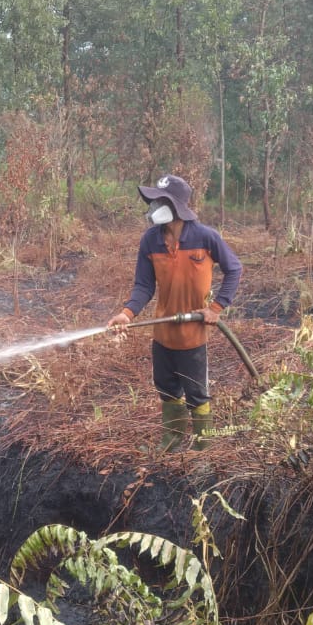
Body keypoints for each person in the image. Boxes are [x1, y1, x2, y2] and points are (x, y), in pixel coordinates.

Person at [107, 174, 243, 453]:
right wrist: (127, 314)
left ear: (177, 206)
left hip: (192, 335)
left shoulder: (205, 237)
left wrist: (216, 308)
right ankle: (171, 442)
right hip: (163, 333)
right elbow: (144, 285)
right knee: (167, 388)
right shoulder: (151, 241)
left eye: (161, 200)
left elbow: (234, 269)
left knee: (196, 393)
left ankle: (203, 448)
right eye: (154, 199)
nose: (155, 205)